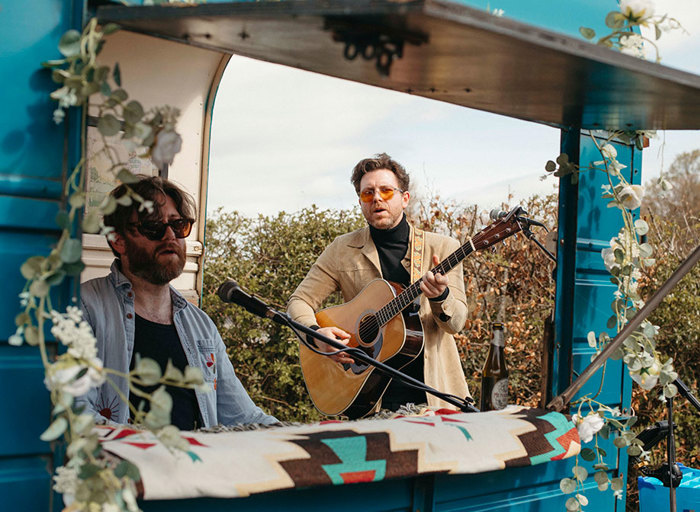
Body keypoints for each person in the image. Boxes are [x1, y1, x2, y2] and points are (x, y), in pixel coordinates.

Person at [78, 176, 277, 429]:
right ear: (118, 239)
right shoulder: (84, 309)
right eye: (153, 227)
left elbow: (244, 416)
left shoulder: (201, 325)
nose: (170, 235)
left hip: (191, 467)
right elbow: (76, 413)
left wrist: (307, 436)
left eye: (179, 225)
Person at [287, 153, 470, 412]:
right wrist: (316, 334)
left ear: (404, 198)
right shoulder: (342, 249)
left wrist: (440, 297)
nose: (376, 198)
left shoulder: (442, 248)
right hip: (367, 398)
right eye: (367, 193)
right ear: (360, 202)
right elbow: (299, 301)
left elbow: (457, 322)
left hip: (434, 398)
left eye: (386, 191)